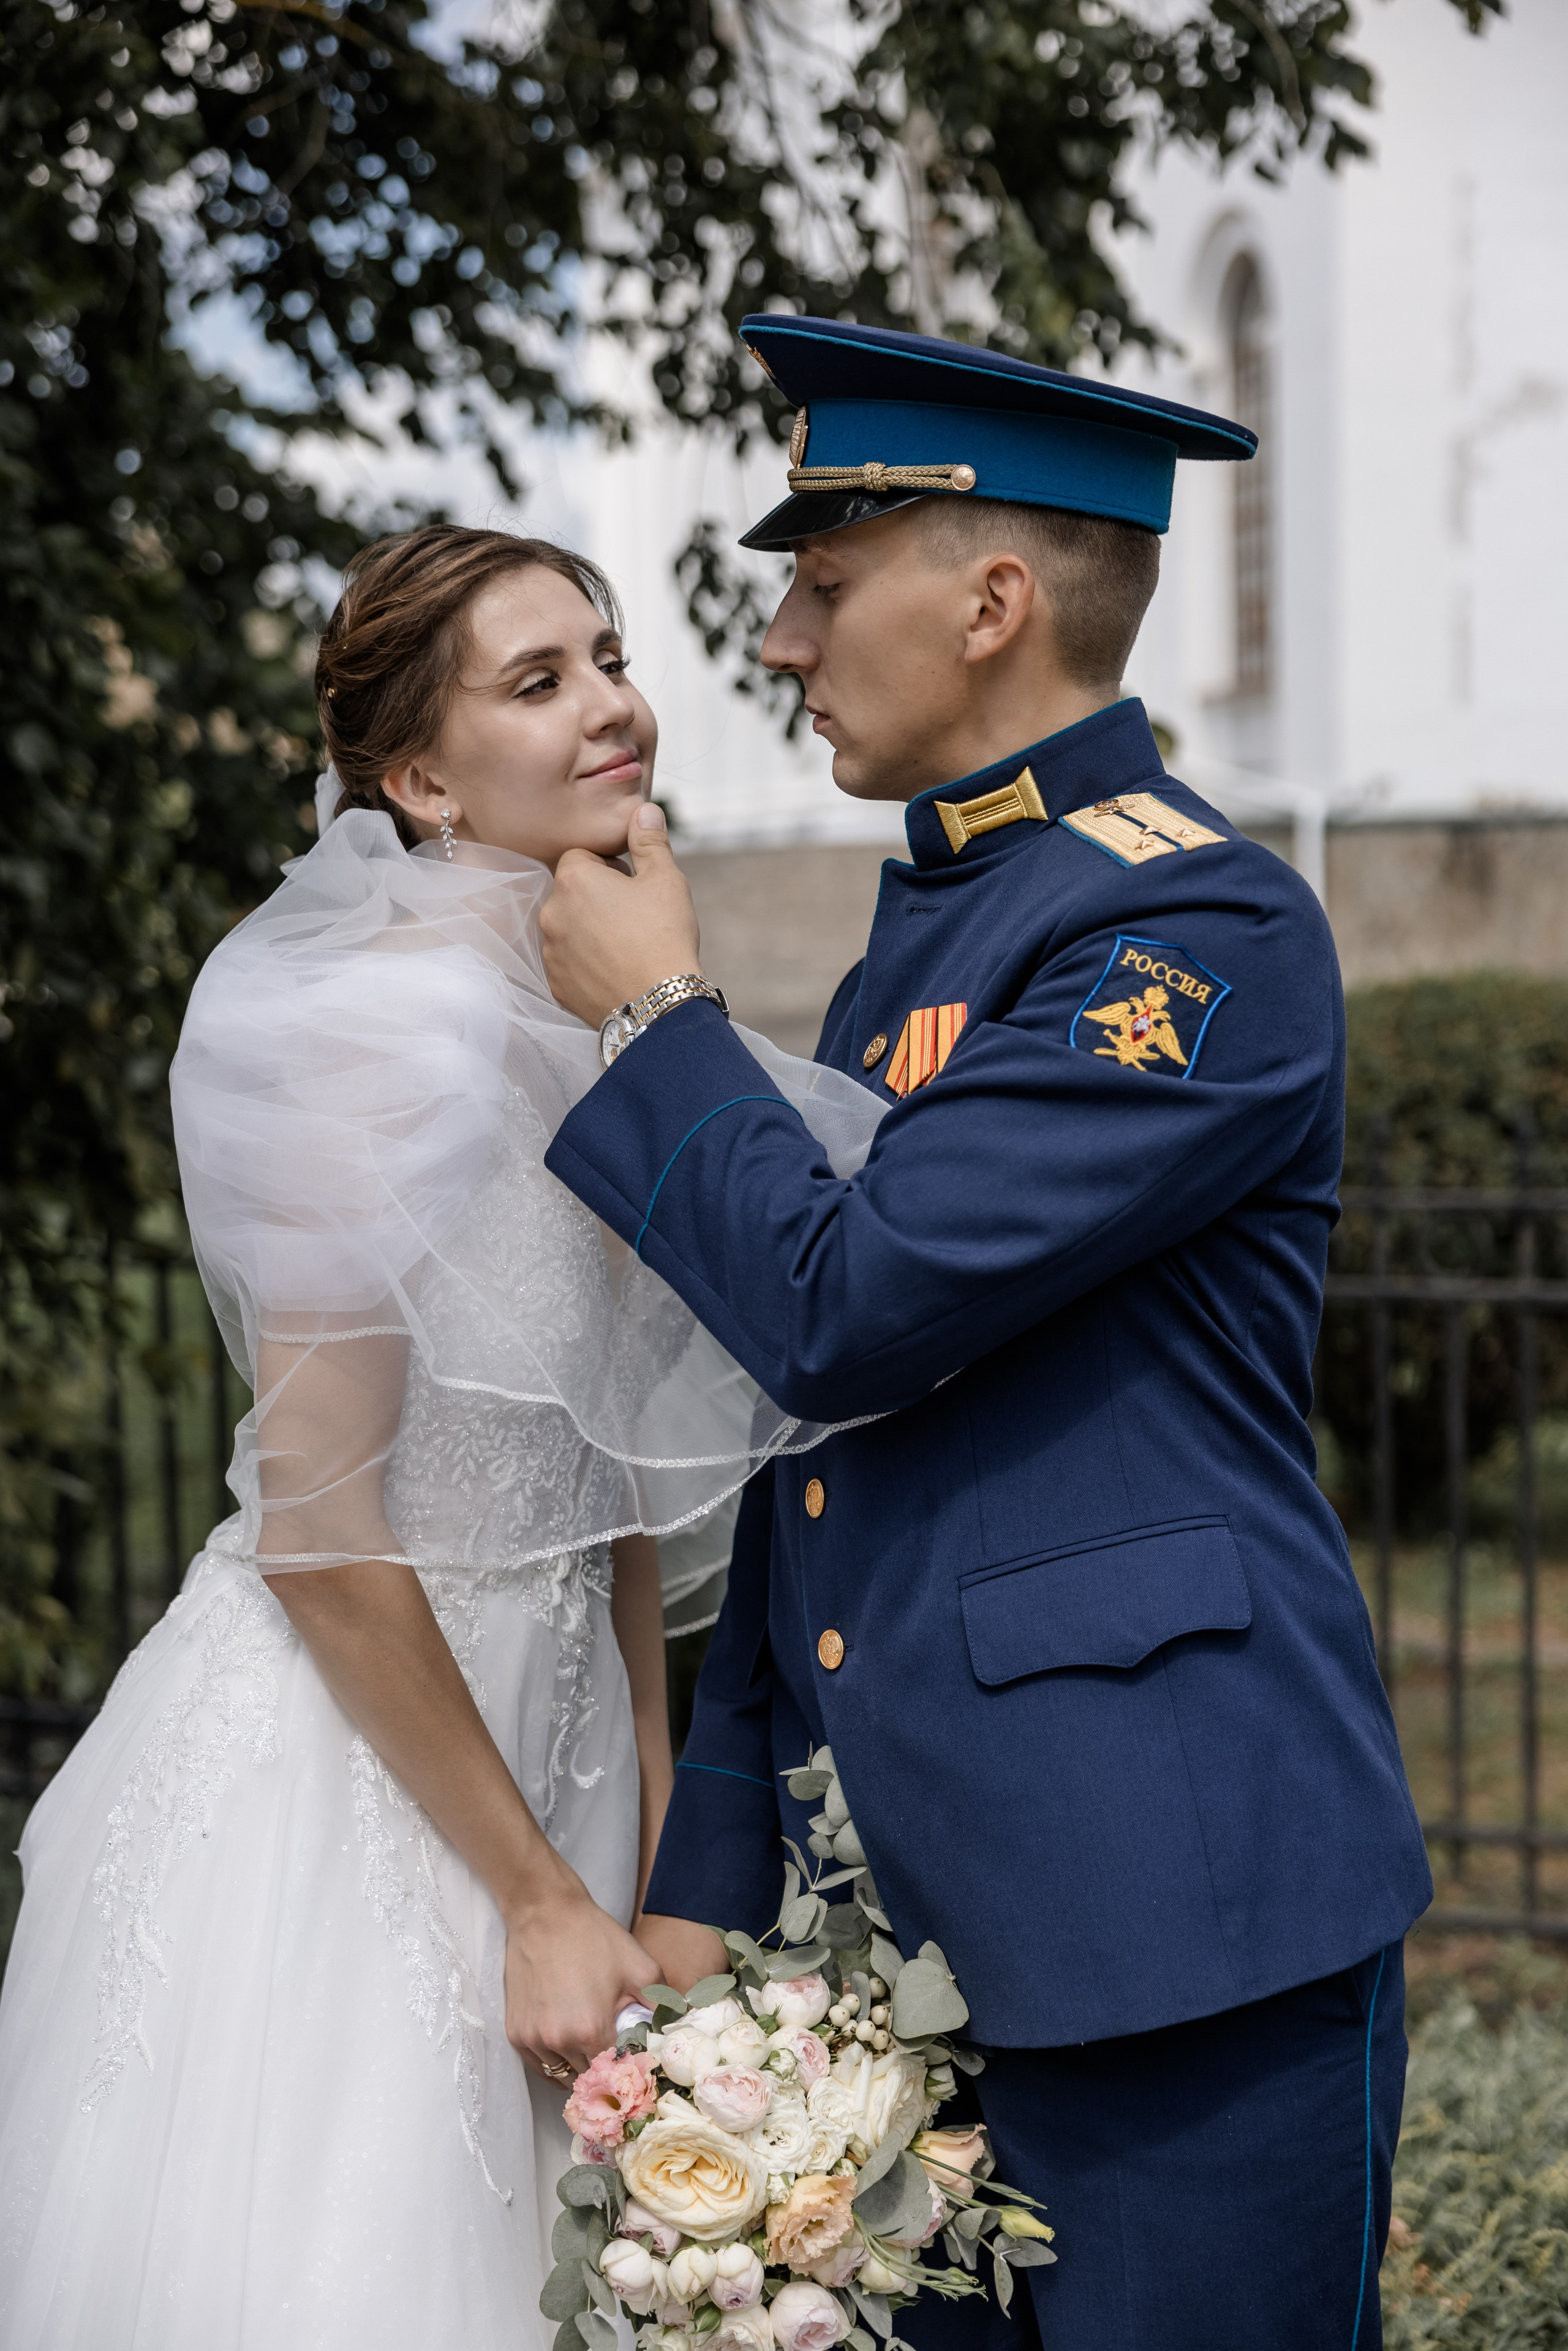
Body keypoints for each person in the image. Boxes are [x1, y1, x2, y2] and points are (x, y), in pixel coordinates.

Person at [536, 317, 1434, 2351]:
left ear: (995, 604)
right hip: (905, 1946)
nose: (778, 638)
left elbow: (845, 1314)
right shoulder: (936, 927)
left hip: (1169, 1919)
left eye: (826, 584)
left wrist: (658, 1026)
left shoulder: (1190, 926)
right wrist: (723, 1856)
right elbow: (817, 1466)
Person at [0, 524, 882, 2351]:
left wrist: (653, 1870)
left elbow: (616, 1493)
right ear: (413, 774)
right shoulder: (366, 1027)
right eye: (538, 679)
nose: (616, 705)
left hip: (560, 1772)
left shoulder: (602, 1009)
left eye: (613, 656)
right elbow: (318, 1531)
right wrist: (544, 1900)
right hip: (356, 1781)